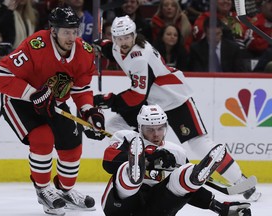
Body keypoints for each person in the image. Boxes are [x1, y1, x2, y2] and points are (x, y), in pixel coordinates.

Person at [93, 15, 261, 201]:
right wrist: (104, 46)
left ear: (134, 35)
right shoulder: (118, 46)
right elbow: (113, 50)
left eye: (127, 37)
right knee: (116, 127)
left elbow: (136, 97)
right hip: (152, 105)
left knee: (198, 142)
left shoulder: (140, 56)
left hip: (174, 99)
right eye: (118, 38)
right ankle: (143, 168)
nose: (123, 42)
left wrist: (109, 100)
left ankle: (240, 180)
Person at [0, 7, 105, 215]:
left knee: (72, 142)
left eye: (74, 31)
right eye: (65, 32)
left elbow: (81, 89)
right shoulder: (36, 45)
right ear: (53, 31)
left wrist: (89, 111)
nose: (71, 37)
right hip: (20, 101)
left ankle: (65, 191)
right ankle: (44, 190)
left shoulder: (85, 53)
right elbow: (0, 75)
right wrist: (33, 94)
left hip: (52, 102)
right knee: (43, 138)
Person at [101, 104, 252, 216]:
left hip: (155, 209)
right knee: (127, 173)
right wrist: (148, 159)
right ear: (140, 128)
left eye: (160, 129)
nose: (156, 134)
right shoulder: (128, 138)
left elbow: (192, 193)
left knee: (181, 178)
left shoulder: (176, 152)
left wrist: (219, 207)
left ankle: (192, 174)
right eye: (150, 129)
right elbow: (108, 162)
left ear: (166, 127)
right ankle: (135, 171)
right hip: (120, 206)